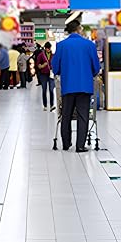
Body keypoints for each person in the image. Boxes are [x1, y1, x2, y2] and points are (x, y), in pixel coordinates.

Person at [51, 22, 101, 153]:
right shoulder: (89, 45)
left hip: (67, 86)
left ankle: (66, 144)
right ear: (79, 29)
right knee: (83, 115)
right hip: (85, 86)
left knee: (66, 114)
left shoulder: (61, 45)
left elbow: (55, 67)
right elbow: (96, 67)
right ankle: (80, 146)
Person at [34, 42, 55, 111]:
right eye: (47, 48)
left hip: (51, 74)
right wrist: (43, 65)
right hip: (43, 74)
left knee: (51, 90)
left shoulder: (53, 55)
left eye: (49, 48)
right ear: (45, 48)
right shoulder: (41, 55)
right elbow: (38, 65)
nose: (48, 49)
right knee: (44, 90)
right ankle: (45, 105)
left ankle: (52, 105)